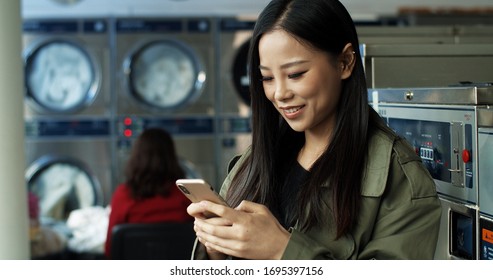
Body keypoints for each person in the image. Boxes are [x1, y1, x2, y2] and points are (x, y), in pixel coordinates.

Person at [187, 0, 441, 260]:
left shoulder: (399, 178)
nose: (279, 93)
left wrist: (284, 251)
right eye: (267, 78)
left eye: (295, 74)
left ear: (345, 62)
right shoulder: (254, 161)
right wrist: (216, 248)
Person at [104, 128, 192, 258]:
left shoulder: (123, 194)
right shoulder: (185, 194)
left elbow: (110, 249)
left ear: (137, 157)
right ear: (171, 157)